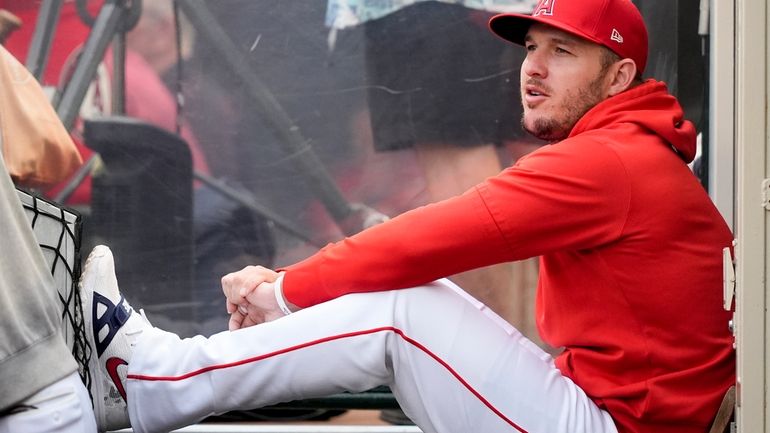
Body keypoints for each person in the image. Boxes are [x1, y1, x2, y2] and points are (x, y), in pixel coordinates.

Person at [81, 0, 735, 432]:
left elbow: (431, 238)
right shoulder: (632, 151)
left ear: (618, 76)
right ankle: (155, 376)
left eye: (563, 53)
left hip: (614, 424)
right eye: (532, 46)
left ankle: (154, 379)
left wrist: (285, 289)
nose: (533, 68)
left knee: (404, 307)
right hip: (608, 406)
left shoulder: (611, 161)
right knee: (407, 302)